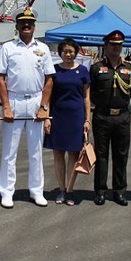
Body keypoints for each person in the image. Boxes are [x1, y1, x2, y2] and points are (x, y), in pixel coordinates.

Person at [0, 7, 55, 208]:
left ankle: (36, 191)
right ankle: (7, 192)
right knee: (9, 151)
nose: (27, 25)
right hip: (14, 100)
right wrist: (6, 107)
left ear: (34, 26)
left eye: (30, 23)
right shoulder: (8, 48)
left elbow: (49, 80)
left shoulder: (43, 49)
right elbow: (0, 79)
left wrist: (43, 107)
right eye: (23, 22)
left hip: (35, 101)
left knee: (36, 151)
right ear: (17, 25)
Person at [90, 30, 131, 206]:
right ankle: (101, 191)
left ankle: (119, 191)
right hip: (102, 116)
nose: (116, 47)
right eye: (112, 44)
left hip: (122, 116)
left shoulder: (129, 69)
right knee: (101, 155)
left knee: (121, 155)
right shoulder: (96, 68)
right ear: (106, 45)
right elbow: (91, 92)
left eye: (119, 45)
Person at [43, 38, 91, 206]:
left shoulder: (83, 71)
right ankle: (61, 189)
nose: (68, 54)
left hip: (76, 117)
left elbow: (86, 98)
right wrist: (47, 118)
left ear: (76, 53)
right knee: (58, 154)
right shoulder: (54, 70)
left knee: (73, 155)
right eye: (65, 51)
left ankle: (70, 190)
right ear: (60, 53)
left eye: (71, 51)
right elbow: (47, 97)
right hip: (57, 116)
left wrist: (87, 120)